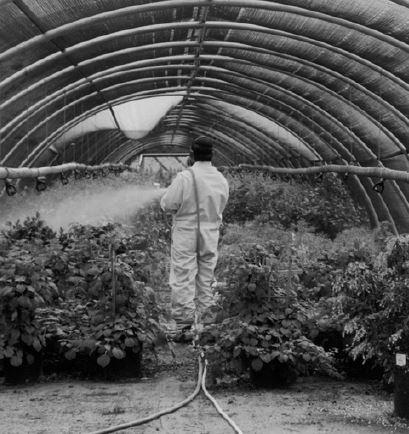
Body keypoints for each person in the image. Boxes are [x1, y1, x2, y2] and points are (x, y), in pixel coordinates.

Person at [160, 137, 229, 334]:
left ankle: (184, 324)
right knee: (207, 275)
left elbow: (168, 204)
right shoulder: (220, 179)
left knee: (183, 275)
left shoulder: (185, 177)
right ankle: (206, 322)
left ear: (191, 154)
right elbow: (221, 205)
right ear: (212, 155)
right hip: (210, 232)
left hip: (186, 232)